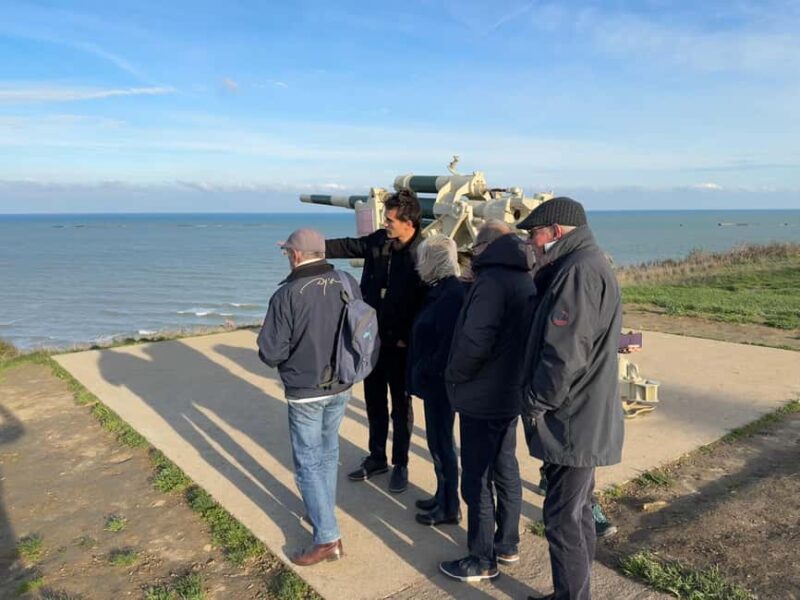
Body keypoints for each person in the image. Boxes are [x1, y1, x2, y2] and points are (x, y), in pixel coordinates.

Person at [518, 197, 624, 600]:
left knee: (562, 519)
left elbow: (564, 353)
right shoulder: (587, 263)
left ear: (556, 232)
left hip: (572, 419)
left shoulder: (577, 272)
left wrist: (535, 402)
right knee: (577, 513)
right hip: (584, 413)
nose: (531, 242)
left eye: (535, 234)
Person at [439, 220, 536, 582]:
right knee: (505, 466)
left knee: (477, 478)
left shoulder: (491, 283)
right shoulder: (523, 277)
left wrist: (455, 374)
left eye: (476, 248)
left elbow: (474, 341)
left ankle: (481, 558)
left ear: (485, 247)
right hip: (510, 391)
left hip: (482, 395)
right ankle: (507, 543)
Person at [257, 228, 357, 566]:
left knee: (307, 463)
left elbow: (270, 353)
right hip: (343, 382)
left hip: (306, 391)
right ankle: (322, 514)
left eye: (287, 252)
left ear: (297, 255)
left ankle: (327, 537)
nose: (286, 256)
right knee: (328, 454)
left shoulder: (287, 295)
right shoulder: (346, 281)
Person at [325, 189, 426, 494]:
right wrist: (312, 247)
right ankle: (377, 457)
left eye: (391, 219)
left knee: (400, 407)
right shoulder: (379, 241)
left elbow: (427, 303)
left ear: (409, 222)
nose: (386, 223)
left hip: (400, 346)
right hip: (371, 342)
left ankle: (401, 463)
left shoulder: (422, 254)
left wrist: (408, 339)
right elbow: (348, 245)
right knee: (374, 402)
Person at [407, 235, 465, 526]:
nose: (419, 264)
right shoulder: (442, 291)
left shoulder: (449, 295)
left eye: (423, 258)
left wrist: (425, 368)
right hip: (435, 381)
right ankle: (443, 494)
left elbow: (445, 345)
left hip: (440, 383)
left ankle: (449, 505)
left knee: (442, 443)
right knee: (437, 442)